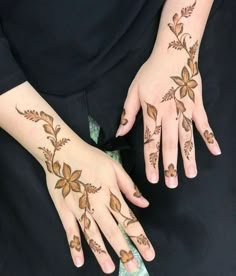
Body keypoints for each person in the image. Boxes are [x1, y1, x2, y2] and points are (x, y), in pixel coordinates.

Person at [0, 0, 235, 275]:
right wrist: (56, 151)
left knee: (213, 250)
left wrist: (178, 49)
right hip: (23, 74)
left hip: (165, 23)